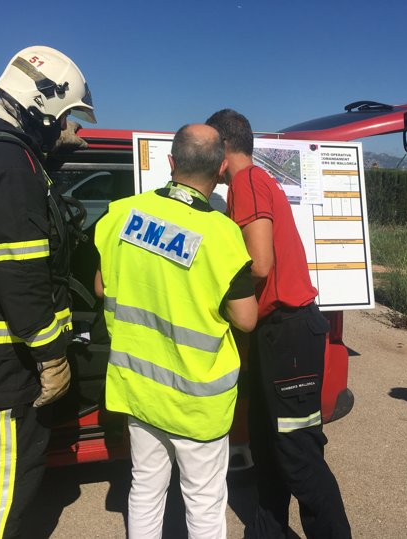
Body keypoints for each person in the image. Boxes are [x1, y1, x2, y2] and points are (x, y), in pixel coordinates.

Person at [0, 46, 96, 539]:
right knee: (4, 479)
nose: (66, 124)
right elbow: (19, 270)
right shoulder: (8, 161)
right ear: (43, 102)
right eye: (65, 115)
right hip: (6, 358)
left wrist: (50, 157)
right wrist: (51, 354)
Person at [93, 123, 258, 538]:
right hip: (197, 401)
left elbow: (100, 285)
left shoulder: (121, 213)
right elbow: (246, 318)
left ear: (171, 163)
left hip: (140, 389)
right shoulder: (223, 236)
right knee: (203, 500)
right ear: (221, 168)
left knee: (146, 488)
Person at [206, 109, 352, 539]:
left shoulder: (247, 184)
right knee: (268, 449)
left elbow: (261, 262)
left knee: (297, 455)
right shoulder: (255, 183)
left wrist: (210, 286)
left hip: (288, 334)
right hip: (279, 335)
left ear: (221, 147)